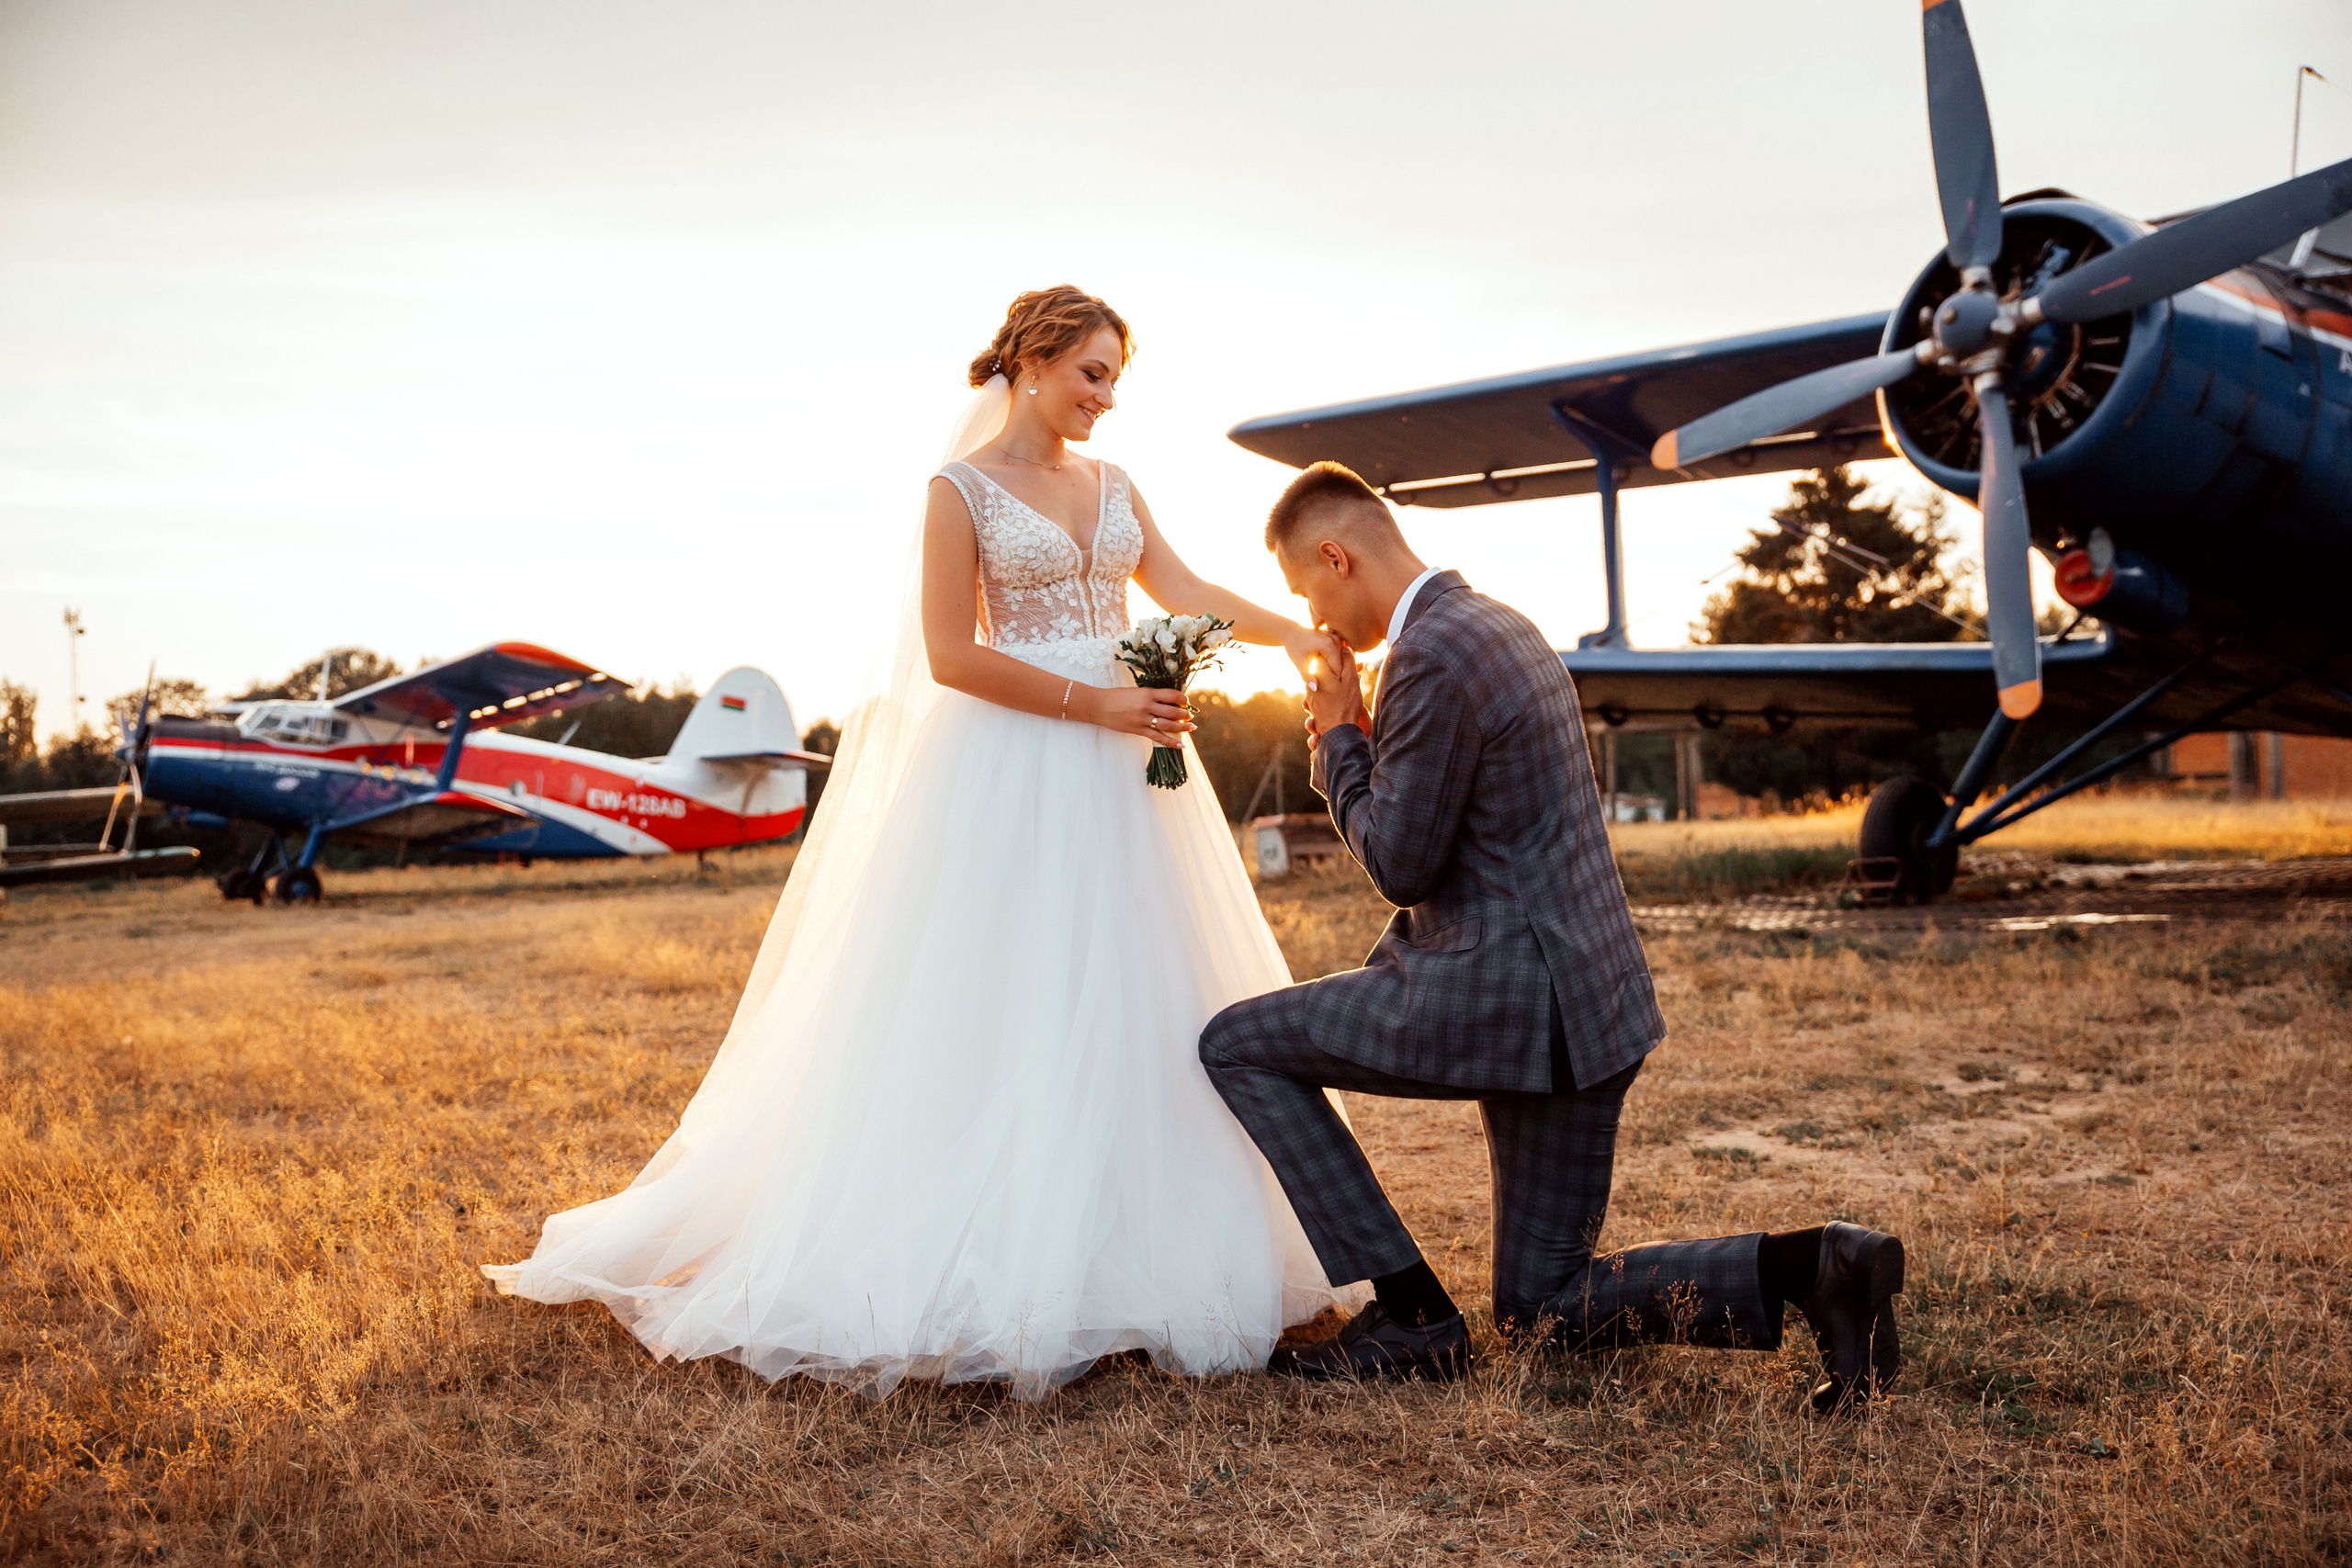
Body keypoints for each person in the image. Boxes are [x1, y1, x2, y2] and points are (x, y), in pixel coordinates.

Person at [482, 288, 1364, 1399]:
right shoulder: (961, 491)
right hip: (1017, 761)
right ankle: (1009, 1251)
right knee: (1007, 992)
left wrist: (1306, 636)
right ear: (1036, 362)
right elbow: (951, 654)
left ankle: (1153, 1243)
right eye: (1092, 373)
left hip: (1133, 773)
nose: (1105, 397)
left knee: (1148, 986)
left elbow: (1182, 592)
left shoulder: (1118, 485)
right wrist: (1095, 706)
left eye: (1115, 380)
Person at [1198, 461, 1905, 1411]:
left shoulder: (1430, 656)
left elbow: (1401, 865)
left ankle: (1409, 1314)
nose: (1315, 618)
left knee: (1236, 1044)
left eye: (1306, 590)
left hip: (1499, 996)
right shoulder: (1499, 625)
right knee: (1540, 1305)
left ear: (1337, 555)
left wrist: (1335, 738)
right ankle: (1817, 1267)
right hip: (1589, 1008)